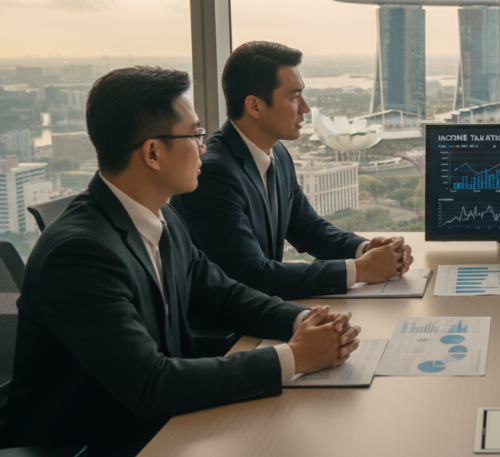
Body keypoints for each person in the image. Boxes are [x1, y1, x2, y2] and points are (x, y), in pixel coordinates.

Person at [0, 67, 360, 456]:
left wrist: (301, 321)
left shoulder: (161, 215)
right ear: (153, 152)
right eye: (195, 135)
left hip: (165, 426)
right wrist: (295, 357)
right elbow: (151, 384)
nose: (205, 148)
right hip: (98, 443)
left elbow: (223, 295)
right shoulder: (78, 255)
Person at [172, 41, 412, 300]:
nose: (305, 108)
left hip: (265, 311)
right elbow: (252, 276)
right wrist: (361, 269)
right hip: (226, 331)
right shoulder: (214, 174)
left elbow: (308, 229)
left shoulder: (278, 154)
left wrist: (366, 248)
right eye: (294, 96)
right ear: (254, 106)